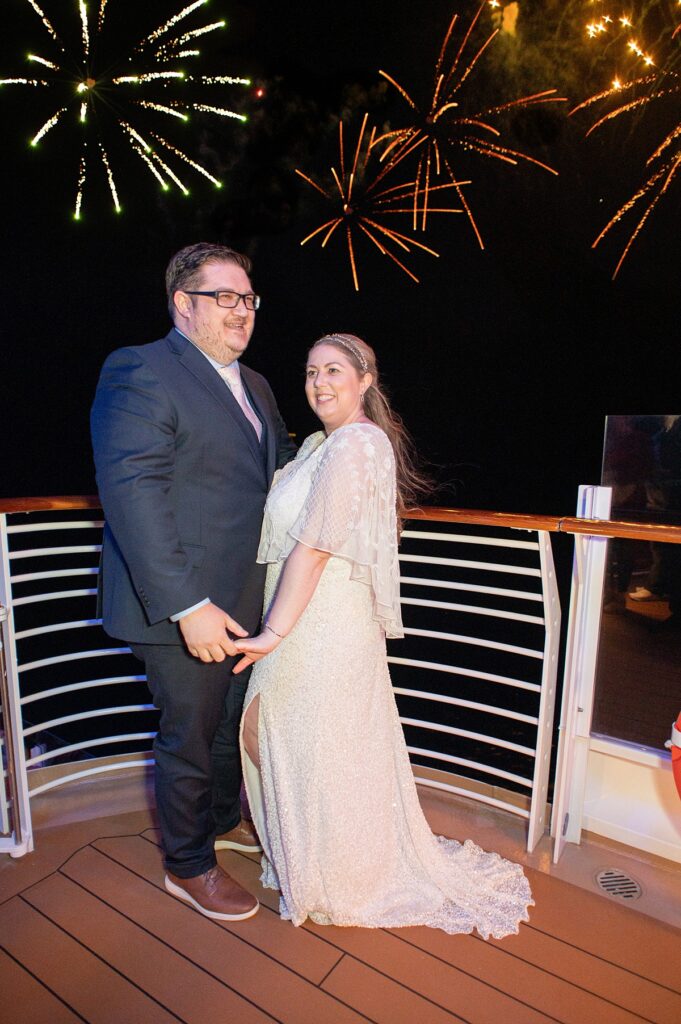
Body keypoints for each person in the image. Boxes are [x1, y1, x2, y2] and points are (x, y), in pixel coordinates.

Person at [233, 333, 533, 938]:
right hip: (303, 612)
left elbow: (314, 548)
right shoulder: (322, 444)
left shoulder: (358, 445)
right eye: (312, 370)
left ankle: (343, 875)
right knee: (281, 737)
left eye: (335, 370)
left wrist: (272, 632)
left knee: (295, 738)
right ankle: (312, 859)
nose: (319, 381)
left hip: (323, 619)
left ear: (366, 379)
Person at [90, 242, 296, 922]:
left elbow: (269, 476)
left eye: (248, 299)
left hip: (243, 597)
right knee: (189, 730)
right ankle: (187, 865)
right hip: (179, 604)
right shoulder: (140, 369)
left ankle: (215, 824)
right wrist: (187, 605)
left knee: (226, 727)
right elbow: (133, 492)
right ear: (183, 304)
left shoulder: (257, 385)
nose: (242, 312)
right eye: (224, 298)